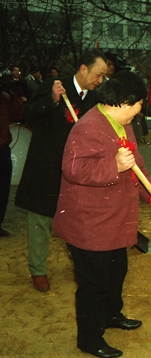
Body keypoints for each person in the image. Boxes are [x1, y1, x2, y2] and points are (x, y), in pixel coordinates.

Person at [52, 71, 151, 358]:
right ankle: (89, 338)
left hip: (113, 222)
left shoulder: (122, 124)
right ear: (124, 102)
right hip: (88, 225)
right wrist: (114, 166)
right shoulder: (87, 127)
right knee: (93, 284)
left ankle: (111, 315)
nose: (139, 112)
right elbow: (72, 170)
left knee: (116, 272)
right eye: (138, 106)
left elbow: (139, 167)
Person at [15, 49, 107, 292]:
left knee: (76, 219)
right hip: (46, 166)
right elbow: (28, 114)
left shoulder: (95, 99)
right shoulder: (53, 86)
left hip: (77, 170)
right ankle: (38, 269)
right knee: (41, 219)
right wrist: (52, 100)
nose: (100, 81)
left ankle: (80, 266)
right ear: (83, 68)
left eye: (103, 77)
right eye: (98, 75)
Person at [0, 73, 22, 236]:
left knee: (3, 188)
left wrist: (14, 95)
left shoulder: (4, 97)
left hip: (2, 147)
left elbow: (15, 115)